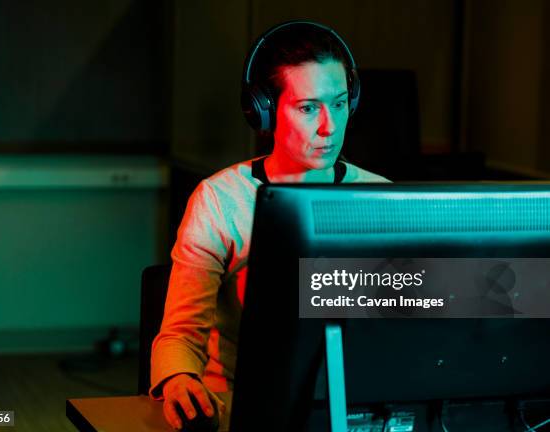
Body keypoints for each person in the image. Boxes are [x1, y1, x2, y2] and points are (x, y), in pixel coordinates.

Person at [150, 21, 388, 430]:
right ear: (264, 112)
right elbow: (180, 333)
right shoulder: (221, 200)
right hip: (241, 405)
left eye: (340, 103)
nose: (330, 127)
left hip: (354, 407)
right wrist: (178, 379)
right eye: (308, 107)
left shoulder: (381, 197)